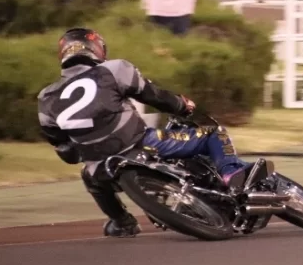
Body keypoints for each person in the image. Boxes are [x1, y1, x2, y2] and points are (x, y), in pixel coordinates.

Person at [37, 28, 254, 238]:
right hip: (141, 142)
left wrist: (83, 148)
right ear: (96, 49)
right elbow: (153, 95)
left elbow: (64, 150)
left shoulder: (46, 98)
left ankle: (122, 223)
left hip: (99, 165)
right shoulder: (114, 69)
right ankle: (231, 173)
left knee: (89, 178)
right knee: (214, 134)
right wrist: (182, 105)